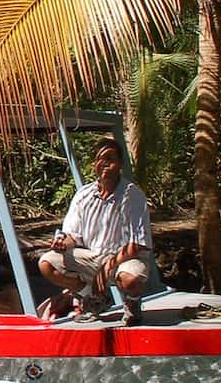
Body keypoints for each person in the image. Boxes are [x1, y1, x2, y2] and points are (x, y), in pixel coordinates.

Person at [38, 138, 151, 326]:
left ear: (121, 164)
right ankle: (91, 298)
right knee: (46, 263)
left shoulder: (132, 195)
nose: (105, 163)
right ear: (94, 164)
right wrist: (62, 243)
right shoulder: (83, 195)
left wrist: (105, 270)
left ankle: (132, 305)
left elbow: (136, 244)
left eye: (111, 158)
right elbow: (72, 235)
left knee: (130, 280)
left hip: (125, 258)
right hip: (93, 257)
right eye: (101, 159)